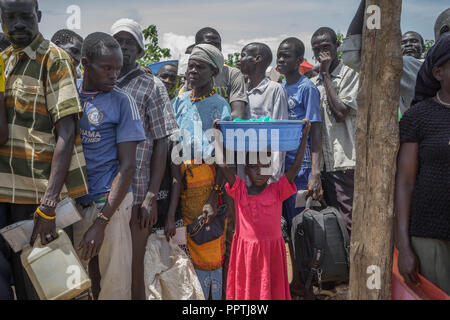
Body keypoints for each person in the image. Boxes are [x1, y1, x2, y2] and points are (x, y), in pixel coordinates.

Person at [0, 0, 88, 300]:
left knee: (45, 289)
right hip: (3, 194)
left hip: (36, 201)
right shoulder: (4, 60)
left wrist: (49, 204)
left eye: (25, 17)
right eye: (10, 18)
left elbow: (67, 132)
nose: (17, 25)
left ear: (38, 17)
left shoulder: (54, 59)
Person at [74, 32, 145, 300]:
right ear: (85, 64)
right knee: (74, 283)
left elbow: (127, 167)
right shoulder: (69, 94)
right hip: (73, 205)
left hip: (110, 204)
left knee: (115, 285)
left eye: (117, 68)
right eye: (107, 68)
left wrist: (102, 221)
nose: (114, 75)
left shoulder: (122, 101)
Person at [110, 18, 178, 300]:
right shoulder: (101, 80)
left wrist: (151, 195)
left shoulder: (152, 85)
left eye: (129, 43)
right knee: (104, 266)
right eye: (118, 42)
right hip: (105, 191)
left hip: (137, 192)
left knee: (134, 267)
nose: (123, 47)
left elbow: (162, 142)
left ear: (139, 51)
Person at [213, 118, 311, 300]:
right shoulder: (239, 189)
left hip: (271, 252)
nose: (259, 171)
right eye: (254, 167)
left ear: (271, 167)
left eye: (265, 166)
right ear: (246, 170)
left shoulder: (277, 190)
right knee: (247, 291)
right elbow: (223, 165)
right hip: (246, 253)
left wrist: (304, 136)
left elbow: (296, 166)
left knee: (271, 290)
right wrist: (217, 136)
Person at [172, 43, 232, 300]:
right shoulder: (180, 101)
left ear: (214, 72)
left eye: (200, 66)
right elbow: (173, 145)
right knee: (184, 247)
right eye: (191, 66)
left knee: (208, 242)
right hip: (182, 184)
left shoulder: (221, 106)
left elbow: (224, 156)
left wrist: (213, 197)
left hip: (209, 184)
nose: (193, 71)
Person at [395, 33, 450, 295]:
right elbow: (404, 183)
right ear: (438, 72)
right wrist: (404, 246)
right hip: (430, 236)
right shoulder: (418, 117)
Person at [276, 37, 322, 297]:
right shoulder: (279, 88)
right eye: (279, 56)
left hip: (302, 170)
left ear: (299, 60)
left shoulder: (307, 88)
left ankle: (308, 285)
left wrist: (315, 172)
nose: (281, 60)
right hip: (281, 170)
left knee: (301, 228)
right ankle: (295, 283)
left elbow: (316, 132)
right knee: (285, 231)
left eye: (286, 56)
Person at [310, 27, 359, 233]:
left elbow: (341, 112)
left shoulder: (351, 74)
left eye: (326, 47)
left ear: (337, 46)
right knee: (331, 225)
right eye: (317, 49)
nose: (322, 53)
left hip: (345, 162)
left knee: (349, 223)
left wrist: (325, 73)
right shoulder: (312, 83)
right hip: (323, 166)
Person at [341, 0, 422, 117]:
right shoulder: (400, 72)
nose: (409, 45)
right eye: (404, 42)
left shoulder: (414, 66)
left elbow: (351, 56)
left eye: (414, 41)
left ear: (424, 47)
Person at [239, 42, 289, 183]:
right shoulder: (242, 90)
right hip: (246, 173)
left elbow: (279, 133)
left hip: (266, 175)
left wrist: (273, 176)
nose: (239, 60)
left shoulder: (274, 89)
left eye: (243, 55)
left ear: (257, 59)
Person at [195, 27, 248, 119]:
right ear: (197, 47)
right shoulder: (192, 73)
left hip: (224, 130)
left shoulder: (232, 74)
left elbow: (237, 114)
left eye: (217, 45)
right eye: (210, 45)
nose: (215, 49)